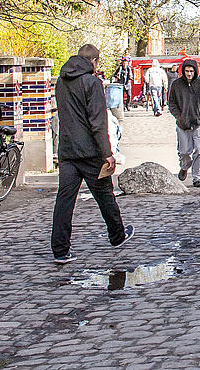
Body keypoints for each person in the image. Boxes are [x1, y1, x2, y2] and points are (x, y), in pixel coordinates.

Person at [50, 43, 133, 265]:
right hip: (89, 151)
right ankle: (117, 236)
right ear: (95, 61)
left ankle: (60, 250)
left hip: (67, 149)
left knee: (64, 200)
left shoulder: (61, 81)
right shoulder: (92, 82)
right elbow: (98, 122)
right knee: (105, 195)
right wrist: (108, 153)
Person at [168, 58, 200, 187]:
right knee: (184, 152)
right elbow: (171, 103)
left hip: (198, 122)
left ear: (195, 71)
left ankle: (198, 177)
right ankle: (184, 167)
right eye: (187, 71)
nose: (189, 74)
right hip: (183, 124)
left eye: (191, 71)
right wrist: (179, 116)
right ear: (183, 71)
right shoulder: (176, 84)